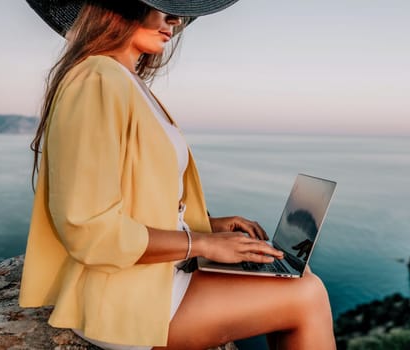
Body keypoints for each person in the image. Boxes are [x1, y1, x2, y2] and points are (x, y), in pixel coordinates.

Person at [19, 1, 337, 349]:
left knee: (294, 275)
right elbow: (88, 226)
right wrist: (202, 244)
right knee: (308, 295)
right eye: (160, 5)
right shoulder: (97, 79)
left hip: (150, 279)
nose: (175, 19)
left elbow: (136, 202)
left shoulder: (126, 82)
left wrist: (209, 226)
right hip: (124, 300)